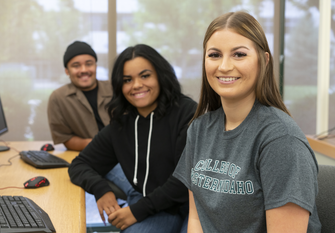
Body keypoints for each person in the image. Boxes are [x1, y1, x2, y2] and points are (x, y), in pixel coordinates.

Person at [173, 11, 322, 233]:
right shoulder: (199, 129)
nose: (224, 66)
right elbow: (197, 219)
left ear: (264, 60)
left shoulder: (281, 140)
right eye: (214, 55)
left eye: (239, 54)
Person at [68, 44, 197, 232]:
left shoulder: (188, 113)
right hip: (157, 208)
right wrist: (101, 189)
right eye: (127, 80)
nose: (136, 85)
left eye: (145, 76)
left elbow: (184, 181)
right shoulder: (122, 123)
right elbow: (79, 165)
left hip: (194, 206)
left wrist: (136, 211)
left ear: (160, 76)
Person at [47, 41, 112, 151]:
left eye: (89, 64)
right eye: (76, 66)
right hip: (89, 156)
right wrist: (96, 145)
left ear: (96, 66)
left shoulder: (115, 88)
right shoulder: (58, 98)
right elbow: (65, 138)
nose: (84, 70)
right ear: (67, 71)